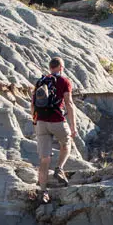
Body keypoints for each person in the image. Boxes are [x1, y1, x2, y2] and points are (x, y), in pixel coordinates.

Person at [31, 56, 77, 202]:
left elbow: (32, 105)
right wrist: (73, 126)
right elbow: (69, 103)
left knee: (44, 159)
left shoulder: (40, 81)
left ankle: (43, 192)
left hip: (41, 123)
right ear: (61, 68)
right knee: (66, 143)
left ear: (50, 67)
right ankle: (59, 168)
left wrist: (35, 121)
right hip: (57, 121)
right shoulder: (64, 81)